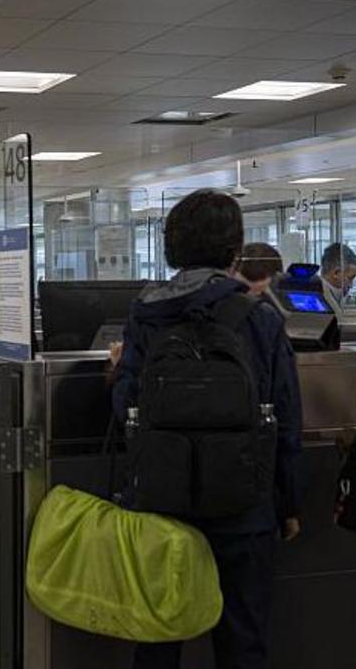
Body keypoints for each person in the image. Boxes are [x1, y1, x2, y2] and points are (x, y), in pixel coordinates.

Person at [112, 190, 303, 669]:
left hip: (161, 497)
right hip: (244, 499)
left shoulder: (144, 315)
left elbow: (127, 408)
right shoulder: (260, 317)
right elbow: (283, 414)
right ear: (234, 249)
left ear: (171, 245)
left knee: (156, 634)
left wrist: (116, 374)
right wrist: (287, 503)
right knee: (243, 641)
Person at [320, 242, 356, 313]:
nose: (351, 285)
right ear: (336, 273)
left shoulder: (331, 296)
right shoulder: (320, 300)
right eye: (350, 278)